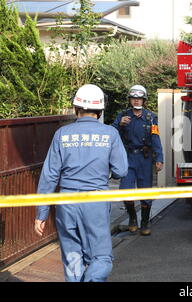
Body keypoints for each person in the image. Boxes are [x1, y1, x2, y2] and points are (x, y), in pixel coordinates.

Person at [34, 84, 128, 282]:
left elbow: (49, 175)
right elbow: (121, 170)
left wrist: (41, 213)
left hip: (66, 201)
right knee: (101, 257)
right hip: (95, 200)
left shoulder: (61, 134)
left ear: (76, 108)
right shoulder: (110, 134)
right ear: (101, 110)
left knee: (72, 258)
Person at [112, 85, 164, 236]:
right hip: (127, 158)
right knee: (125, 191)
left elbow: (156, 138)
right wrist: (119, 124)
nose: (136, 100)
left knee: (145, 192)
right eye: (133, 98)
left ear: (144, 100)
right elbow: (110, 134)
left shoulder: (150, 117)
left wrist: (159, 158)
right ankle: (132, 218)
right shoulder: (122, 116)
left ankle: (145, 222)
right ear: (130, 99)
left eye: (139, 98)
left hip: (145, 159)